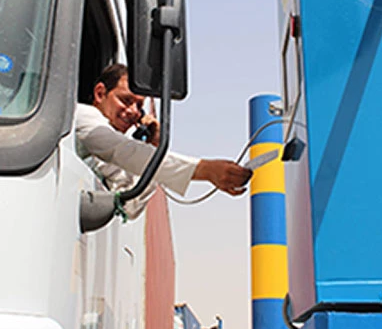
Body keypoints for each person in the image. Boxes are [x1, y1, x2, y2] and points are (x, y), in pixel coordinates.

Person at [75, 63, 252, 219]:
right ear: (100, 93)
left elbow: (129, 207)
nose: (133, 112)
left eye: (139, 106)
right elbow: (124, 151)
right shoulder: (83, 116)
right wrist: (205, 170)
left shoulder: (108, 155)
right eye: (125, 100)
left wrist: (155, 146)